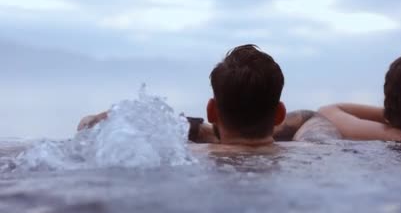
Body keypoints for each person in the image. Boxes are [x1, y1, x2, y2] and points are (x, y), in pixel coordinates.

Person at [78, 44, 341, 146]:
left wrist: (193, 128)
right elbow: (312, 117)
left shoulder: (187, 159)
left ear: (212, 110)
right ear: (279, 114)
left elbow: (87, 128)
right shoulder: (316, 150)